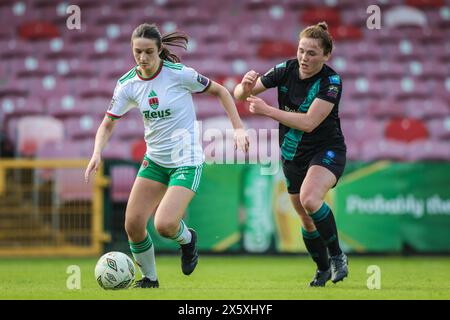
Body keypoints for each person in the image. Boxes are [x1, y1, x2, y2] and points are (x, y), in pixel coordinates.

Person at [85, 23, 249, 288]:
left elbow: (221, 91)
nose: (143, 58)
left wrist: (238, 129)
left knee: (164, 224)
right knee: (133, 225)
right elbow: (107, 123)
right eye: (137, 52)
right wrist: (96, 152)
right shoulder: (128, 84)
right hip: (156, 162)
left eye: (149, 52)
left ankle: (187, 239)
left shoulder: (179, 74)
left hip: (186, 161)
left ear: (160, 50)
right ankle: (150, 280)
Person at [234, 22, 348, 287]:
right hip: (292, 154)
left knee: (310, 198)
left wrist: (268, 111)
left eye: (311, 53)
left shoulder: (331, 81)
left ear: (326, 55)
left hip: (326, 150)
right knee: (307, 220)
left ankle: (337, 256)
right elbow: (241, 95)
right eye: (301, 51)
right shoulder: (286, 70)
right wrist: (244, 85)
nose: (304, 58)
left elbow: (309, 122)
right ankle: (322, 269)